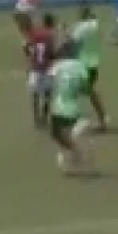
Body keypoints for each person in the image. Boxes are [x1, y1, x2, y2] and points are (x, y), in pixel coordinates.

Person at [47, 41, 94, 174]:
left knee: (56, 133)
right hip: (73, 107)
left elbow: (50, 82)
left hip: (59, 106)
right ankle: (76, 151)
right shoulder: (80, 66)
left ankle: (77, 152)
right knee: (64, 133)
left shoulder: (57, 66)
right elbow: (86, 87)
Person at [69, 4, 109, 130]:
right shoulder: (96, 25)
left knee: (78, 91)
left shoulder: (80, 28)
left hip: (82, 64)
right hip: (93, 64)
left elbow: (73, 43)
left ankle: (100, 119)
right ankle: (101, 118)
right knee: (87, 92)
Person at [23, 14, 58, 129]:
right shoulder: (50, 36)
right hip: (47, 68)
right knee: (48, 94)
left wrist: (30, 57)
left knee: (35, 95)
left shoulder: (35, 33)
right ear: (52, 23)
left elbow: (25, 46)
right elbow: (52, 53)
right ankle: (44, 117)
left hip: (35, 68)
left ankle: (36, 120)